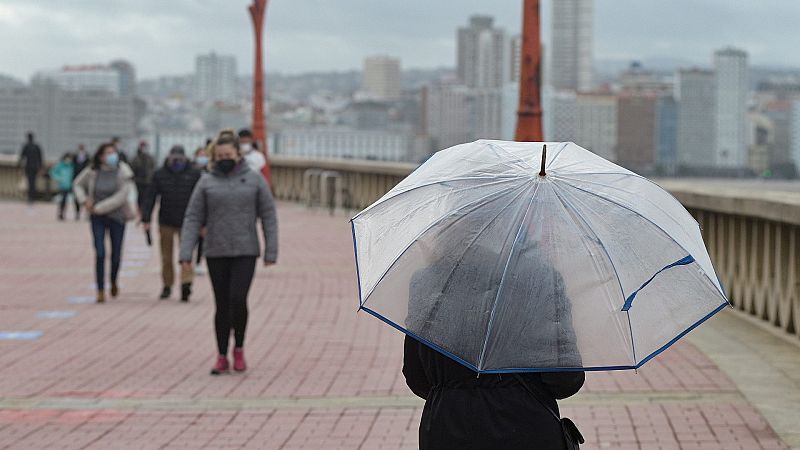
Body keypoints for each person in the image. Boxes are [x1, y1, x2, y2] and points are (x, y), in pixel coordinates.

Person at [402, 222, 584, 449]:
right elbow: (566, 380)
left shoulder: (426, 283)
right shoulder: (541, 279)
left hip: (446, 429)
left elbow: (416, 376)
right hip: (528, 430)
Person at [179, 129, 278, 375]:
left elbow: (268, 215)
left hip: (246, 249)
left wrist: (271, 250)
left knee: (238, 299)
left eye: (228, 154)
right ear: (214, 156)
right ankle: (222, 354)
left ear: (237, 154)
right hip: (216, 250)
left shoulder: (254, 179)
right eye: (220, 154)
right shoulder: (206, 181)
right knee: (221, 304)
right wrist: (185, 252)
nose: (224, 158)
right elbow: (193, 217)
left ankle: (240, 348)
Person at [73, 142, 135, 303]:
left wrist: (99, 207)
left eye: (114, 152)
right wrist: (84, 200)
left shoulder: (123, 172)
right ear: (101, 156)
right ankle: (100, 289)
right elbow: (77, 185)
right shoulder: (93, 171)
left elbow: (121, 196)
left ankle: (113, 280)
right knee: (100, 252)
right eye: (108, 153)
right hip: (97, 219)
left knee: (116, 255)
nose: (112, 156)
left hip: (117, 217)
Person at [141, 146, 202, 301]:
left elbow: (202, 200)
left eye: (179, 158)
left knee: (186, 255)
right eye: (174, 158)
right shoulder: (159, 174)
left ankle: (186, 283)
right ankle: (167, 285)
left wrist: (203, 222)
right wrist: (146, 219)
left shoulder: (194, 174)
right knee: (166, 256)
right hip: (166, 221)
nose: (176, 161)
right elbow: (150, 198)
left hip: (188, 221)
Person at [192, 146, 210, 275]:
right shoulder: (191, 171)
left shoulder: (211, 171)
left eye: (205, 155)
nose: (202, 158)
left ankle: (198, 261)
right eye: (200, 155)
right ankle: (188, 259)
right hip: (193, 208)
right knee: (191, 237)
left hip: (206, 209)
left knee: (202, 238)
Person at [130, 140, 155, 214]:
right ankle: (140, 210)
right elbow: (132, 169)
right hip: (139, 182)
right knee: (140, 197)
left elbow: (153, 168)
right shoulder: (135, 158)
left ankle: (144, 210)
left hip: (148, 181)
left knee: (147, 197)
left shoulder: (150, 158)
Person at [49, 152, 76, 221]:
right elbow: (52, 172)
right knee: (63, 200)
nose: (68, 160)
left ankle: (76, 213)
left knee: (74, 200)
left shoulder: (72, 166)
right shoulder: (60, 165)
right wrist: (58, 178)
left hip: (71, 185)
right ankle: (61, 213)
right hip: (63, 185)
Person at [19, 132, 43, 204]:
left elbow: (21, 157)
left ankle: (30, 198)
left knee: (30, 182)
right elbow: (40, 158)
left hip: (28, 167)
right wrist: (40, 168)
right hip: (35, 167)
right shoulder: (37, 146)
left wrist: (20, 167)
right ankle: (33, 197)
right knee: (34, 183)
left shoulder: (26, 146)